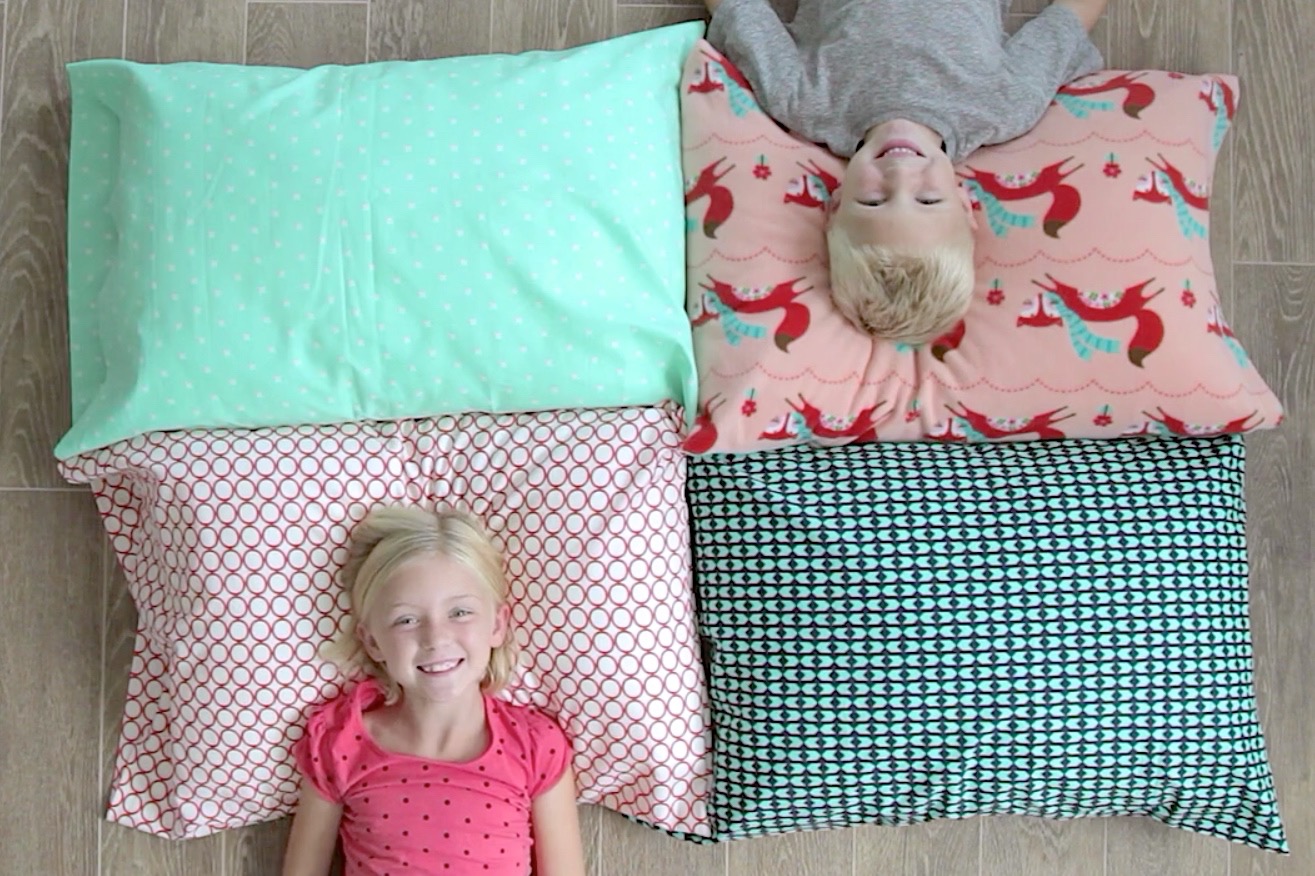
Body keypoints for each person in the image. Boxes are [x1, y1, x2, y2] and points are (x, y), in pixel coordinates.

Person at [703, 0, 1110, 344]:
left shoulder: (804, 102)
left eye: (873, 200)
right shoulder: (1003, 105)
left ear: (836, 204)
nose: (900, 174)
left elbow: (739, 13)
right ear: (965, 206)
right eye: (927, 200)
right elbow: (1067, 23)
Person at [282, 506, 586, 876]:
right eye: (406, 619)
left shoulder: (536, 746)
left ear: (497, 625)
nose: (435, 638)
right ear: (372, 642)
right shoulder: (339, 744)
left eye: (459, 613)